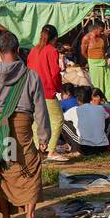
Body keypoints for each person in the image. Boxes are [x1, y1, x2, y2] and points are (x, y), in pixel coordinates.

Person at [0, 29, 49, 218]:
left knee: (2, 168)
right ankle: (29, 216)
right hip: (22, 124)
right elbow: (40, 109)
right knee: (30, 166)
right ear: (17, 50)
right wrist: (44, 137)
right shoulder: (31, 75)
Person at [26, 24, 64, 155]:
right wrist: (58, 89)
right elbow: (54, 73)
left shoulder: (33, 50)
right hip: (47, 90)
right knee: (58, 119)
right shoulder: (52, 51)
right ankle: (51, 149)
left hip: (32, 90)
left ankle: (38, 147)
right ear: (55, 38)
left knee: (37, 120)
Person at [62, 86, 110, 154]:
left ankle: (74, 148)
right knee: (106, 120)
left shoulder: (75, 110)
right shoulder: (100, 108)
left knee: (62, 122)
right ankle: (102, 139)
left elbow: (61, 118)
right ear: (90, 97)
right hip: (102, 147)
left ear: (77, 99)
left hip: (84, 148)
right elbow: (107, 119)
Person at [81, 21, 110, 102]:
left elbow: (105, 48)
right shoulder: (87, 38)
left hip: (103, 62)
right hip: (94, 63)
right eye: (101, 30)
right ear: (95, 29)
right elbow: (83, 52)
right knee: (98, 84)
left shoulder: (103, 37)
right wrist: (90, 60)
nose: (102, 32)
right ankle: (98, 100)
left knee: (108, 83)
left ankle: (109, 101)